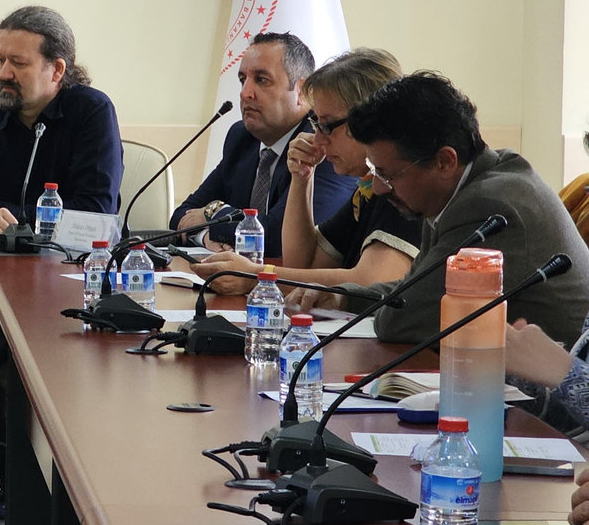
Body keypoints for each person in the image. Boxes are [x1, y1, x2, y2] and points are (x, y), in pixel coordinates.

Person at [0, 6, 123, 519]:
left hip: (72, 284)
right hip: (4, 282)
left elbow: (93, 212)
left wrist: (1, 206)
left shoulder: (91, 112)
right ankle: (23, 480)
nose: (3, 73)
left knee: (50, 365)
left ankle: (54, 488)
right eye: (0, 60)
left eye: (18, 62)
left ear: (57, 70)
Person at [331, 71, 589, 346]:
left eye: (387, 175)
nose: (378, 188)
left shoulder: (490, 206)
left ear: (444, 162)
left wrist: (354, 300)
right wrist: (343, 296)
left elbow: (402, 320)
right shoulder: (466, 184)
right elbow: (416, 290)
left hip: (559, 371)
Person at [194, 48, 419, 297]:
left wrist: (255, 277)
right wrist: (302, 178)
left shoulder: (404, 186)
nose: (317, 139)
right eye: (316, 124)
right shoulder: (367, 187)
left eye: (327, 126)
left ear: (369, 121)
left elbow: (368, 282)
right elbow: (301, 264)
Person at [171, 32, 355, 258]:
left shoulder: (322, 145)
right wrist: (205, 236)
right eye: (242, 80)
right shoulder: (241, 138)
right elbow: (182, 215)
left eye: (261, 80)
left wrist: (214, 212)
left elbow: (277, 238)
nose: (245, 93)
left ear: (302, 91)